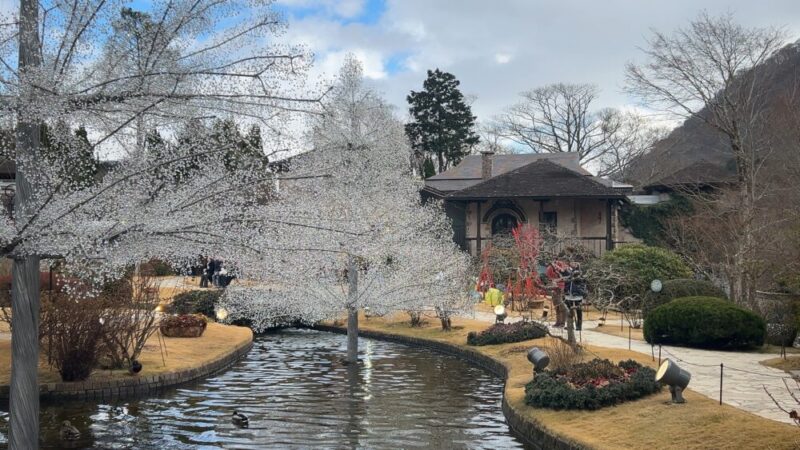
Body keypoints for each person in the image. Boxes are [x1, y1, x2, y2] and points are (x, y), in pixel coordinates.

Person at [564, 261, 587, 331]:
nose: (571, 264)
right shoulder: (569, 272)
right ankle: (570, 325)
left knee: (578, 311)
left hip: (577, 295)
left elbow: (581, 284)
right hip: (569, 295)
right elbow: (567, 281)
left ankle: (579, 326)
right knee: (569, 311)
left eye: (574, 263)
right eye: (571, 263)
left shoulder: (579, 274)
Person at [545, 259, 568, 327]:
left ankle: (562, 322)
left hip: (560, 287)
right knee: (556, 306)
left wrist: (555, 280)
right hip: (554, 287)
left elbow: (565, 276)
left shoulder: (562, 266)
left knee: (561, 306)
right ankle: (558, 322)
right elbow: (548, 276)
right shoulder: (550, 267)